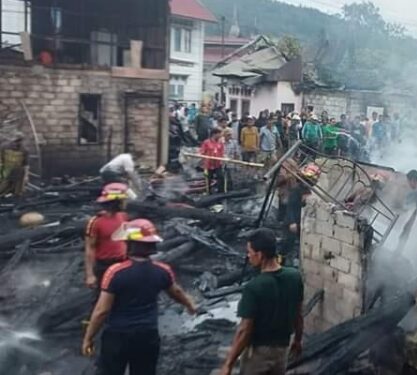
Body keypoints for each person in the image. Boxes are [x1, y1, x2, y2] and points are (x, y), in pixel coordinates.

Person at [82, 219, 197, 375]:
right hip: (147, 334)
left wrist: (89, 337)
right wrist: (190, 305)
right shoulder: (162, 271)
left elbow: (102, 311)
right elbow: (176, 292)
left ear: (130, 244)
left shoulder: (115, 272)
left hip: (118, 335)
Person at [218, 228, 304, 375]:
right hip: (281, 351)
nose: (248, 256)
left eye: (250, 252)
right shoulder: (295, 277)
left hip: (258, 354)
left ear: (260, 255)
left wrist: (229, 363)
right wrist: (297, 340)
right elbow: (298, 314)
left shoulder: (254, 287)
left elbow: (245, 330)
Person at [85, 183, 130, 291]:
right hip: (104, 266)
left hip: (122, 262)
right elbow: (90, 248)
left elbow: (126, 241)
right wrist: (90, 275)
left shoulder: (124, 217)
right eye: (123, 200)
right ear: (116, 201)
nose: (125, 203)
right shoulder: (95, 222)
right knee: (103, 295)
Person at [200, 128, 226, 194]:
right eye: (219, 134)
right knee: (208, 179)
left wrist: (223, 159)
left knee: (221, 177)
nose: (220, 135)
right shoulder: (206, 142)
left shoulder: (220, 143)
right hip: (208, 165)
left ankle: (221, 192)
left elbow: (222, 152)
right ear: (214, 134)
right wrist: (204, 163)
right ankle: (208, 192)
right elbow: (202, 152)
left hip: (218, 164)